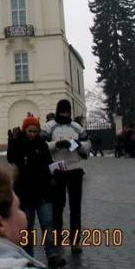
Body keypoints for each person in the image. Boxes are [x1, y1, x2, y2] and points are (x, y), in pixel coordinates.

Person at [7, 115, 65, 269]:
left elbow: (48, 163)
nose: (33, 134)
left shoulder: (42, 144)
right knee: (27, 226)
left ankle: (52, 254)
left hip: (43, 191)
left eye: (35, 131)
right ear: (25, 130)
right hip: (24, 192)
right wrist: (12, 140)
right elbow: (10, 157)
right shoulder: (18, 143)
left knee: (47, 223)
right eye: (30, 131)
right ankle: (28, 257)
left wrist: (56, 170)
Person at [43, 99, 90, 254]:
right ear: (57, 111)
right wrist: (56, 145)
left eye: (66, 111)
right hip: (57, 170)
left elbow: (87, 145)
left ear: (70, 112)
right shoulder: (49, 126)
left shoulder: (76, 127)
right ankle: (58, 240)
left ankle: (75, 241)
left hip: (75, 170)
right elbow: (42, 146)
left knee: (75, 207)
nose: (64, 114)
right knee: (58, 207)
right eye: (62, 111)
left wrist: (75, 143)